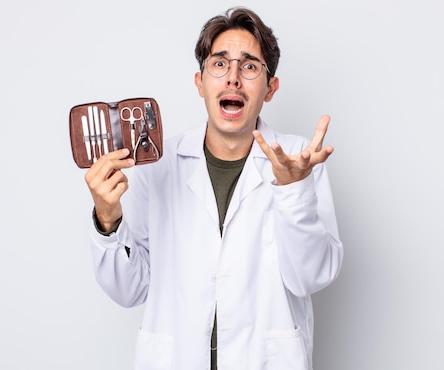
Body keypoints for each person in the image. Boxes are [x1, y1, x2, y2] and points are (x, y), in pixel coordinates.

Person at [84, 6, 343, 370]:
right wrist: (107, 222)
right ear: (200, 82)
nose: (233, 78)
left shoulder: (299, 160)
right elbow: (130, 290)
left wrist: (293, 192)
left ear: (270, 88)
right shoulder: (157, 165)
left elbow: (310, 278)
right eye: (219, 64)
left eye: (250, 66)